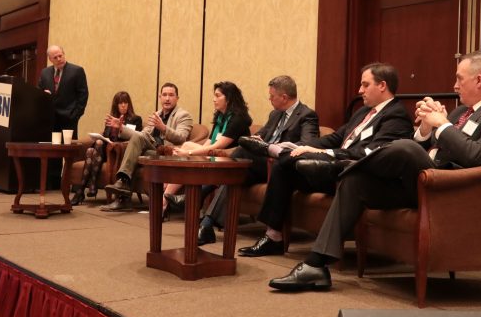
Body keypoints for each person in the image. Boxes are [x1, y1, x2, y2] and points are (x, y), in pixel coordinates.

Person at [268, 50, 481, 291]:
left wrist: (442, 125)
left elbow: (476, 156)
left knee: (402, 147)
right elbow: (429, 146)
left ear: (479, 80)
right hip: (421, 181)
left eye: (459, 78)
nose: (454, 85)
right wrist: (426, 129)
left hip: (451, 189)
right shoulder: (460, 111)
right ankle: (316, 265)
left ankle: (342, 165)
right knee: (356, 181)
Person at [237, 62, 414, 257]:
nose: (359, 90)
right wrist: (304, 146)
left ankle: (278, 151)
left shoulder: (396, 116)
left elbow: (370, 154)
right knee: (283, 167)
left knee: (297, 159)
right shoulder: (364, 111)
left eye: (365, 85)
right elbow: (337, 138)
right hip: (330, 169)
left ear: (382, 85)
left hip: (351, 173)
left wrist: (325, 153)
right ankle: (273, 237)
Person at [195, 75, 320, 246]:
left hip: (280, 165)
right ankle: (207, 225)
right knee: (235, 174)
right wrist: (256, 140)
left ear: (284, 97)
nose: (269, 99)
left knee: (241, 152)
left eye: (272, 96)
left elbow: (308, 145)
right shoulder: (275, 114)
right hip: (261, 164)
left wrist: (276, 147)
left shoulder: (307, 115)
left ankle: (205, 188)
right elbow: (261, 135)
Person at [163, 81, 253, 215]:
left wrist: (188, 152)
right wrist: (190, 153)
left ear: (228, 98)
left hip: (229, 160)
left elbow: (218, 146)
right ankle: (167, 199)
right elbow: (208, 144)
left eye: (217, 96)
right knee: (187, 147)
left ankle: (164, 202)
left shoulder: (239, 119)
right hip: (214, 156)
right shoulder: (220, 117)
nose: (214, 99)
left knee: (187, 149)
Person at [102, 82, 193, 211]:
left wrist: (163, 128)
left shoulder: (183, 115)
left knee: (134, 149)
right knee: (134, 145)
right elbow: (141, 135)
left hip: (167, 153)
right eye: (164, 95)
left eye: (171, 95)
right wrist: (121, 128)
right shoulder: (156, 114)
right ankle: (123, 186)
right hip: (152, 151)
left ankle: (122, 188)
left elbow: (181, 137)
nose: (167, 98)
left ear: (177, 98)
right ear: (160, 97)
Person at [70, 91, 143, 206]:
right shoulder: (111, 120)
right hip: (105, 151)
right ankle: (88, 187)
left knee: (93, 149)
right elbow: (106, 136)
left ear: (129, 104)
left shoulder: (136, 119)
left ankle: (81, 191)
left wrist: (120, 129)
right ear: (116, 105)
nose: (123, 105)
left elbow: (136, 138)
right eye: (120, 103)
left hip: (118, 151)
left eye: (125, 102)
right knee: (93, 148)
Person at [38, 45, 88, 189]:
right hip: (52, 118)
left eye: (61, 55)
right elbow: (39, 91)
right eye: (56, 57)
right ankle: (53, 183)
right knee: (53, 151)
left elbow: (83, 95)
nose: (59, 59)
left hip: (69, 117)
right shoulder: (45, 73)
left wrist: (76, 115)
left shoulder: (77, 71)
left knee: (70, 152)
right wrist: (44, 94)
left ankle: (73, 183)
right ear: (50, 59)